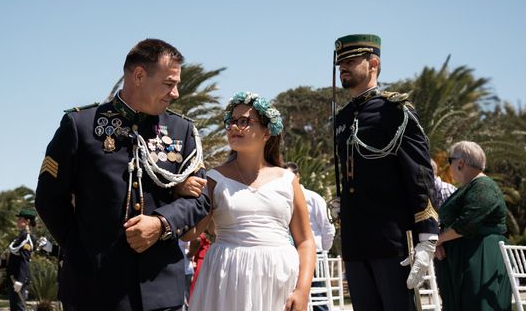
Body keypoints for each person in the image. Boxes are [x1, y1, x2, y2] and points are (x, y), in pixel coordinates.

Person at [35, 38, 210, 311]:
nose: (175, 93)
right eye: (168, 83)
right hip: (94, 290)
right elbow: (49, 199)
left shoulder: (182, 130)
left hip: (162, 290)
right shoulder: (80, 126)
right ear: (139, 76)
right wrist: (83, 248)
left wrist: (162, 224)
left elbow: (200, 200)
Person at [332, 34, 439, 311]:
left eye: (350, 60)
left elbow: (420, 173)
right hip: (356, 242)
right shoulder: (342, 118)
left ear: (373, 63)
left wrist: (427, 237)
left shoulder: (395, 112)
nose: (342, 66)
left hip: (392, 242)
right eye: (339, 62)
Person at [187, 91, 315, 311]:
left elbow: (305, 241)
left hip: (279, 277)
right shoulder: (213, 180)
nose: (235, 127)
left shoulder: (288, 180)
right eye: (231, 121)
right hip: (227, 277)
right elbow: (190, 233)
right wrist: (183, 190)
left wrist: (302, 291)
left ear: (266, 132)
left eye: (244, 121)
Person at [435, 141, 512, 310]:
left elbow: (466, 223)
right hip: (466, 256)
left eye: (450, 161)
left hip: (480, 256)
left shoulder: (484, 186)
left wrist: (438, 240)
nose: (450, 166)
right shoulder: (470, 187)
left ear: (460, 163)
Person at [284, 161, 335, 311]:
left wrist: (321, 250)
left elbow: (328, 227)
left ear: (298, 176)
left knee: (318, 297)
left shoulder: (313, 198)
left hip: (314, 255)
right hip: (289, 255)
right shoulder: (282, 198)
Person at [5, 208, 37, 311]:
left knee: (19, 307)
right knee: (15, 307)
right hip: (13, 277)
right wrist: (0, 263)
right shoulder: (20, 236)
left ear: (27, 221)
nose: (17, 221)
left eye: (20, 219)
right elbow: (14, 257)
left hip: (18, 278)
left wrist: (20, 280)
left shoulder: (27, 237)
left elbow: (25, 260)